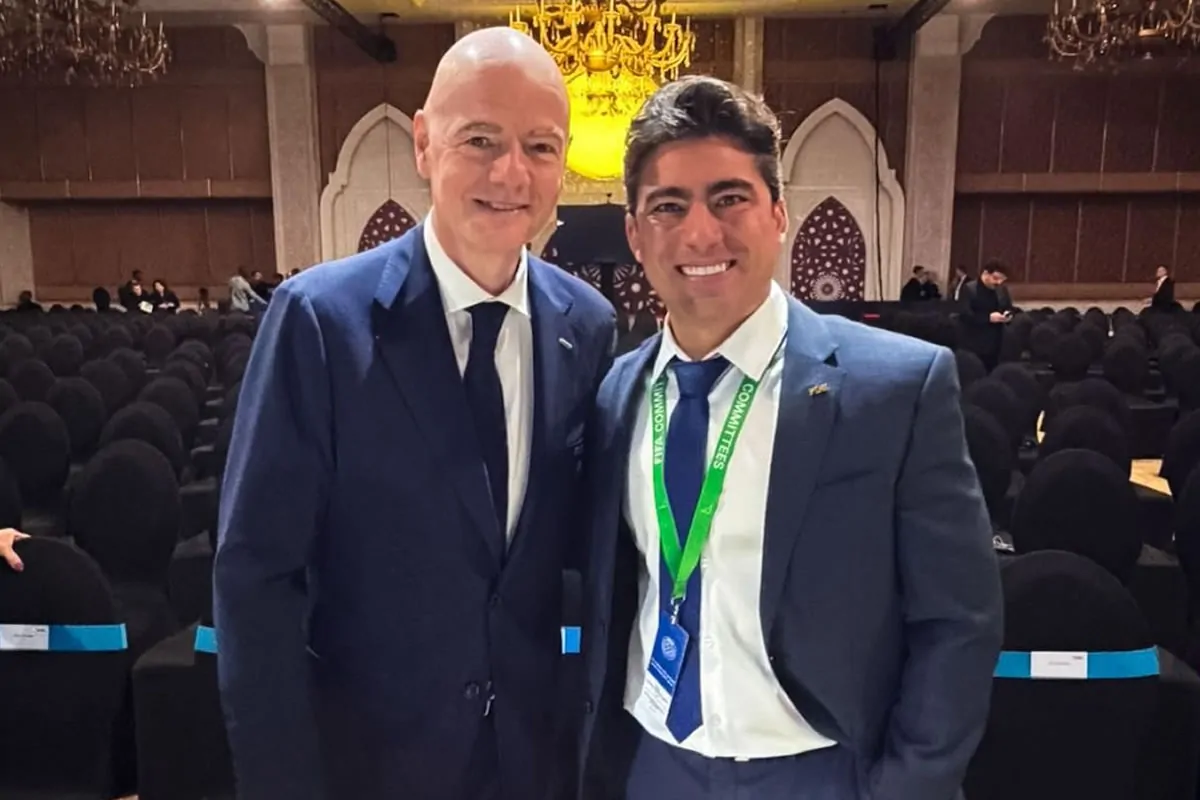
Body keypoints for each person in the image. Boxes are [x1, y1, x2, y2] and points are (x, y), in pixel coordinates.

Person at [214, 27, 615, 800]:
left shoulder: (586, 325)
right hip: (370, 765)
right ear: (424, 144)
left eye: (540, 146)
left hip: (532, 761)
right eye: (481, 139)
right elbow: (256, 580)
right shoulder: (320, 321)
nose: (511, 172)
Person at [579, 76, 1002, 800]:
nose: (701, 233)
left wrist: (907, 786)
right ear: (635, 235)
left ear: (778, 214)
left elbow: (958, 622)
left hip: (820, 771)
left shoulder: (894, 390)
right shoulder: (615, 394)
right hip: (653, 765)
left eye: (729, 198)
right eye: (668, 206)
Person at [959, 259, 1012, 372]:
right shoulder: (969, 289)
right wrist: (988, 318)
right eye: (996, 278)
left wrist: (1008, 314)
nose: (999, 282)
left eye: (1002, 279)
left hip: (997, 342)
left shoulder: (1001, 289)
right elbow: (964, 315)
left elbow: (1008, 307)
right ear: (986, 273)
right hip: (975, 342)